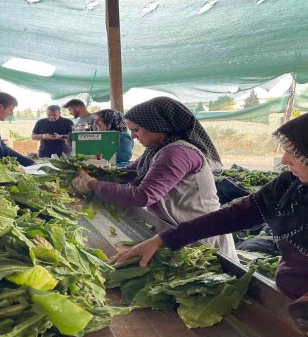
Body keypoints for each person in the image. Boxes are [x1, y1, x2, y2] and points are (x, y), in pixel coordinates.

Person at [112, 107, 308, 337]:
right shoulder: (296, 185)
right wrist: (166, 239)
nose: (285, 160)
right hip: (291, 305)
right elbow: (241, 213)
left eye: (297, 153)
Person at [71, 97, 237, 259]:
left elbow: (143, 196)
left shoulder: (177, 153)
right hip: (178, 230)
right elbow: (128, 173)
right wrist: (94, 173)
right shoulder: (157, 149)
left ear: (158, 126)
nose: (134, 136)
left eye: (136, 130)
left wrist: (93, 183)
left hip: (200, 236)